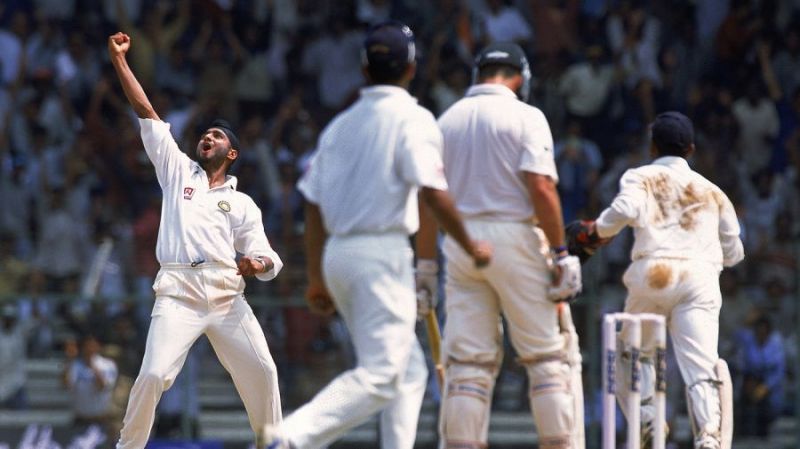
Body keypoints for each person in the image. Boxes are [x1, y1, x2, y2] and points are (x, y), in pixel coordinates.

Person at [262, 21, 491, 449]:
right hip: (380, 255)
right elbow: (434, 195)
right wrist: (471, 245)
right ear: (412, 68)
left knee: (409, 371)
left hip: (339, 256)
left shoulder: (339, 127)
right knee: (383, 374)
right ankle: (290, 437)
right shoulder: (414, 119)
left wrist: (316, 276)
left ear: (364, 71)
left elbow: (311, 205)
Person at [107, 32, 284, 449]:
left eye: (217, 137)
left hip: (227, 297)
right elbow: (146, 111)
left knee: (265, 374)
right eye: (204, 135)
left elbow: (266, 255)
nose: (207, 138)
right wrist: (119, 62)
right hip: (178, 293)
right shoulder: (177, 171)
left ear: (232, 154)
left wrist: (256, 265)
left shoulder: (242, 203)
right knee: (152, 375)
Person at [430, 41, 585, 449]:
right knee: (546, 357)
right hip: (514, 237)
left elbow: (428, 198)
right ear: (522, 76)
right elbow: (541, 188)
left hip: (461, 241)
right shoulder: (526, 116)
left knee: (468, 363)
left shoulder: (447, 120)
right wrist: (561, 254)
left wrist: (425, 266)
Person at [585, 112, 745, 449]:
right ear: (691, 149)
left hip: (654, 273)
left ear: (653, 145)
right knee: (701, 365)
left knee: (632, 353)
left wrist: (596, 231)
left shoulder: (641, 176)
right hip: (699, 280)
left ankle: (647, 420)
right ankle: (709, 439)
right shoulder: (713, 191)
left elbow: (626, 210)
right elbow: (734, 252)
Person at [62, 334, 119, 435]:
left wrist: (92, 365)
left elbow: (102, 387)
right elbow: (66, 385)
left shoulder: (107, 365)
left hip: (101, 420)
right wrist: (69, 360)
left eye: (92, 346)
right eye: (87, 346)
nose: (89, 349)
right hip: (80, 420)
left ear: (98, 347)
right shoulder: (75, 366)